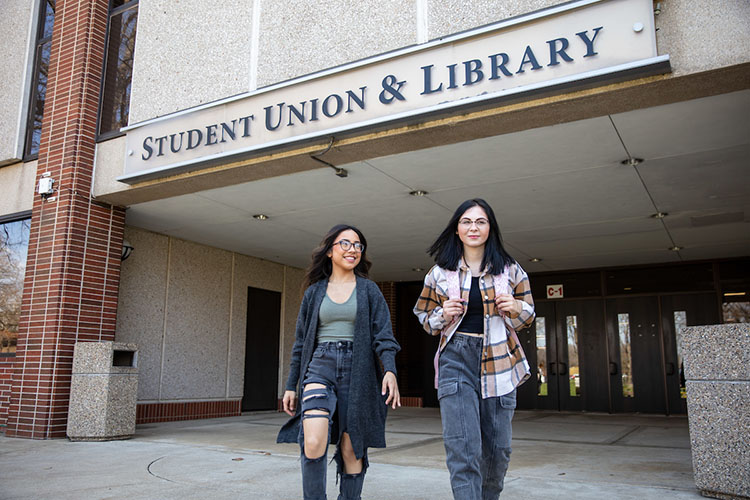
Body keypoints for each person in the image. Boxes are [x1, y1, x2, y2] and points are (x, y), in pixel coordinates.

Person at [413, 198, 535, 499]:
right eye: (466, 221)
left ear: (490, 228)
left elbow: (528, 315)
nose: (473, 227)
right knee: (463, 448)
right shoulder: (440, 273)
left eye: (480, 221)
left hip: (499, 361)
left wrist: (516, 306)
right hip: (457, 358)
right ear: (457, 229)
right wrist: (444, 314)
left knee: (498, 452)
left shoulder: (509, 270)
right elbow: (425, 318)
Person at [277, 224, 401, 500]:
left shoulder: (370, 291)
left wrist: (389, 370)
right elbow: (300, 343)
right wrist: (290, 385)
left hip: (359, 371)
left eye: (358, 245)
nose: (352, 249)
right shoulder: (314, 293)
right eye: (345, 243)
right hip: (320, 365)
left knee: (351, 449)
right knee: (312, 441)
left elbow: (384, 336)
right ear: (330, 251)